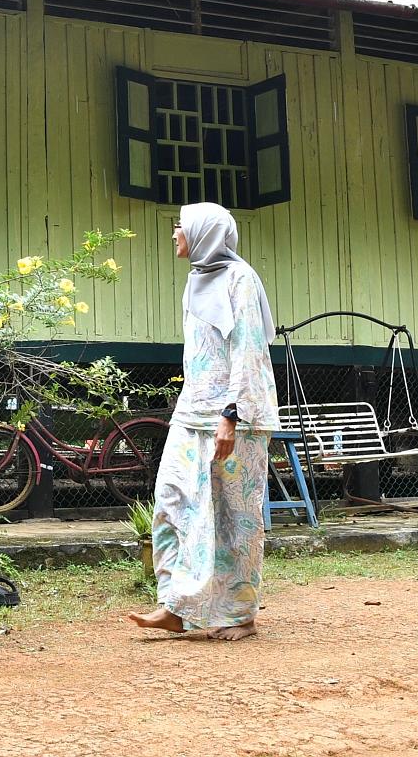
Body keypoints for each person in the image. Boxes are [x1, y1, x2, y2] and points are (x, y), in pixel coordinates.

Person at [128, 201, 278, 641]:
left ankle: (240, 614)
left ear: (204, 232)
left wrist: (233, 415)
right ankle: (176, 606)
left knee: (236, 518)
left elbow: (248, 348)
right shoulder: (197, 280)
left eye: (182, 225)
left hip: (235, 417)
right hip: (192, 412)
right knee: (172, 501)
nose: (175, 232)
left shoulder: (240, 279)